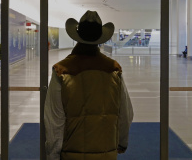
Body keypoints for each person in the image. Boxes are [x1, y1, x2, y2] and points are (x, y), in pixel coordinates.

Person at [44, 10, 134, 160]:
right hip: (107, 152)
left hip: (72, 153)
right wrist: (121, 142)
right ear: (99, 39)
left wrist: (53, 155)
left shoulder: (61, 70)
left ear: (77, 37)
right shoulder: (114, 69)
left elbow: (54, 120)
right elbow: (126, 113)